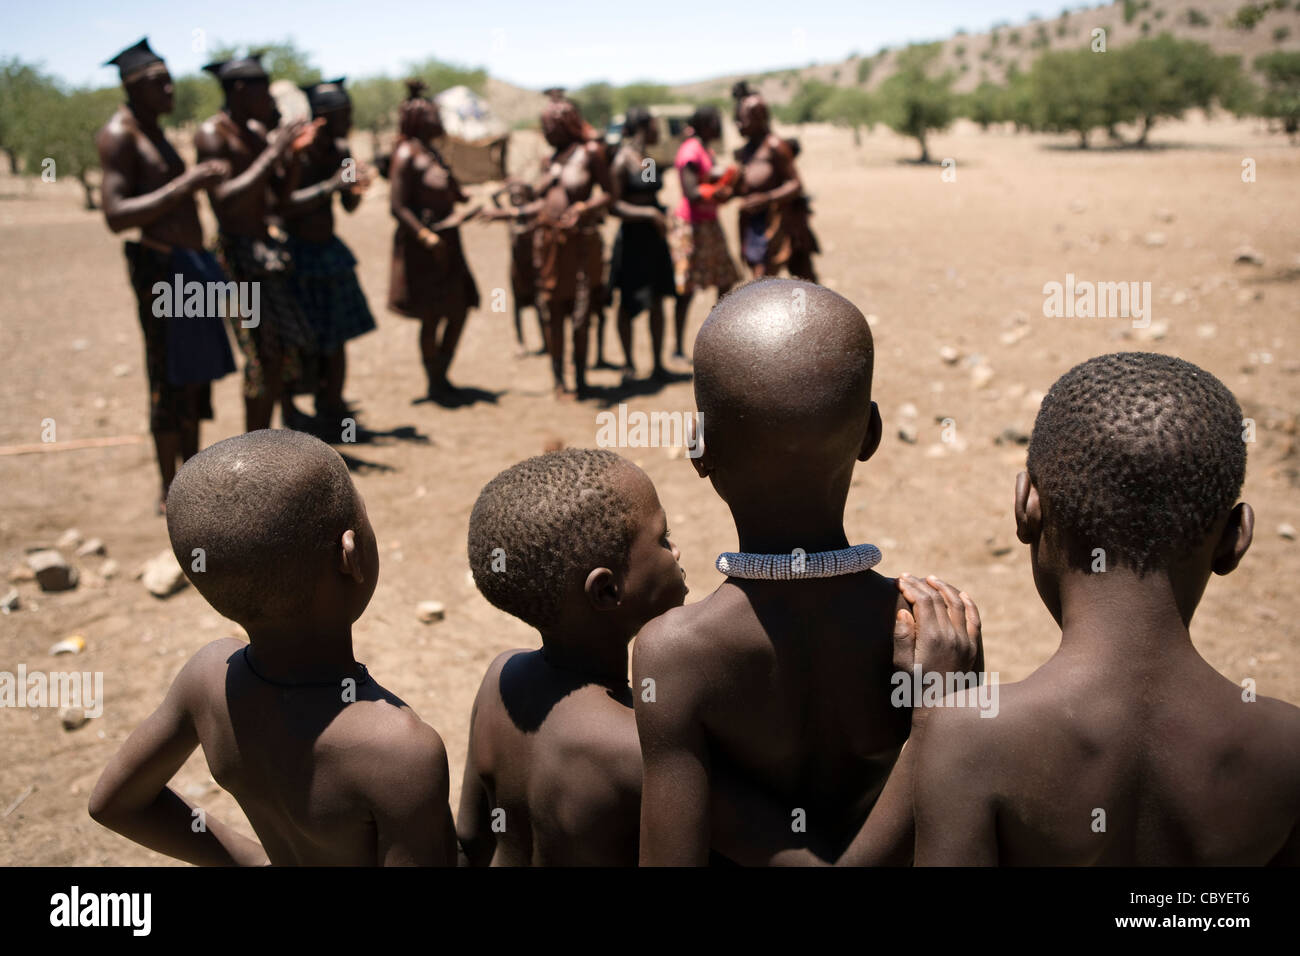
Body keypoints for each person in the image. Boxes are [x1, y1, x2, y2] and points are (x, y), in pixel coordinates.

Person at [633, 278, 981, 865]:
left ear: (699, 448)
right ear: (870, 435)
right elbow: (956, 837)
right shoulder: (935, 634)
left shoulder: (673, 652)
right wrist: (937, 718)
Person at [911, 352, 1300, 866]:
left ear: (1027, 508)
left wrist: (932, 710)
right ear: (1234, 540)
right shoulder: (1285, 748)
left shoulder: (972, 739)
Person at [89, 430, 457, 865]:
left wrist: (253, 861)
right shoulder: (400, 751)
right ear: (350, 554)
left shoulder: (207, 678)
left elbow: (115, 802)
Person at [458, 449, 687, 865]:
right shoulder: (638, 744)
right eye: (662, 539)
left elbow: (471, 840)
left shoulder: (500, 678)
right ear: (606, 591)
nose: (676, 551)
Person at [96, 38, 235, 510]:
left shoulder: (154, 131)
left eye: (170, 78)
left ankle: (192, 472)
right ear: (133, 88)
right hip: (160, 269)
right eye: (158, 83)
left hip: (190, 266)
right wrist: (187, 184)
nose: (170, 89)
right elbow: (115, 215)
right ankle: (167, 484)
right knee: (167, 373)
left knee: (196, 373)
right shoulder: (120, 135)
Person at [195, 53, 319, 432]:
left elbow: (279, 199)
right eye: (263, 88)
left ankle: (269, 440)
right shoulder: (212, 133)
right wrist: (272, 152)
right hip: (236, 257)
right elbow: (225, 200)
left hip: (265, 255)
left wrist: (292, 154)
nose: (270, 97)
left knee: (281, 352)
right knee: (259, 358)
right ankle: (255, 447)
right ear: (238, 90)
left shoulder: (253, 131)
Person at [280, 78, 375, 429]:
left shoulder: (341, 149)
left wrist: (357, 187)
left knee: (336, 338)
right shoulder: (297, 151)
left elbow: (348, 204)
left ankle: (332, 404)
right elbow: (285, 205)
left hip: (328, 252)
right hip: (296, 255)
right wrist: (331, 186)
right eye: (342, 114)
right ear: (321, 117)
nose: (348, 121)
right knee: (297, 339)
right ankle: (292, 412)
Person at [387, 80, 481, 404]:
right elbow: (396, 206)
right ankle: (435, 381)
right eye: (433, 116)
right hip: (423, 248)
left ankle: (441, 373)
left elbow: (453, 193)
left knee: (459, 308)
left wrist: (464, 195)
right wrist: (425, 235)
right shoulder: (405, 153)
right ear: (418, 120)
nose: (439, 120)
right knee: (432, 314)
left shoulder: (433, 152)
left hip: (449, 241)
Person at [531, 96, 612, 399]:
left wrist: (584, 208)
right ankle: (558, 381)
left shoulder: (590, 153)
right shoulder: (550, 160)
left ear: (566, 125)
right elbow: (541, 200)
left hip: (581, 246)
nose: (546, 133)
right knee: (553, 310)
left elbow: (609, 193)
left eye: (550, 126)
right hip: (551, 247)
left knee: (580, 313)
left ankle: (580, 378)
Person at [608, 108, 676, 382]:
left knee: (657, 300)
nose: (659, 132)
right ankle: (628, 364)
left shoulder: (645, 159)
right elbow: (613, 205)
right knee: (627, 303)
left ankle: (658, 365)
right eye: (654, 127)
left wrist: (659, 210)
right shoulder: (621, 160)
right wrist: (648, 214)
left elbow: (647, 193)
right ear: (642, 128)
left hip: (653, 240)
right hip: (632, 241)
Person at [668, 105, 739, 362]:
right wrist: (715, 192)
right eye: (714, 122)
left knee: (724, 280)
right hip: (691, 226)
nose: (718, 127)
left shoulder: (705, 149)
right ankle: (677, 346)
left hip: (708, 223)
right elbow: (691, 193)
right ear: (703, 124)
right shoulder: (690, 151)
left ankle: (717, 337)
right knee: (686, 288)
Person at [731, 82, 819, 282]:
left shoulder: (775, 147)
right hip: (755, 225)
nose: (739, 125)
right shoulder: (745, 152)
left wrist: (766, 199)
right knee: (760, 284)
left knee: (805, 282)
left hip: (782, 224)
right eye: (737, 120)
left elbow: (795, 184)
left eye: (743, 119)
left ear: (759, 119)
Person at [487, 179, 546, 356]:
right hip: (516, 269)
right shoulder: (510, 217)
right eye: (513, 196)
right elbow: (494, 197)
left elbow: (539, 201)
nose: (516, 198)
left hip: (534, 268)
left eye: (520, 195)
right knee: (517, 306)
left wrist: (530, 189)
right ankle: (521, 342)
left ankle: (545, 341)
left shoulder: (532, 215)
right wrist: (507, 187)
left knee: (539, 304)